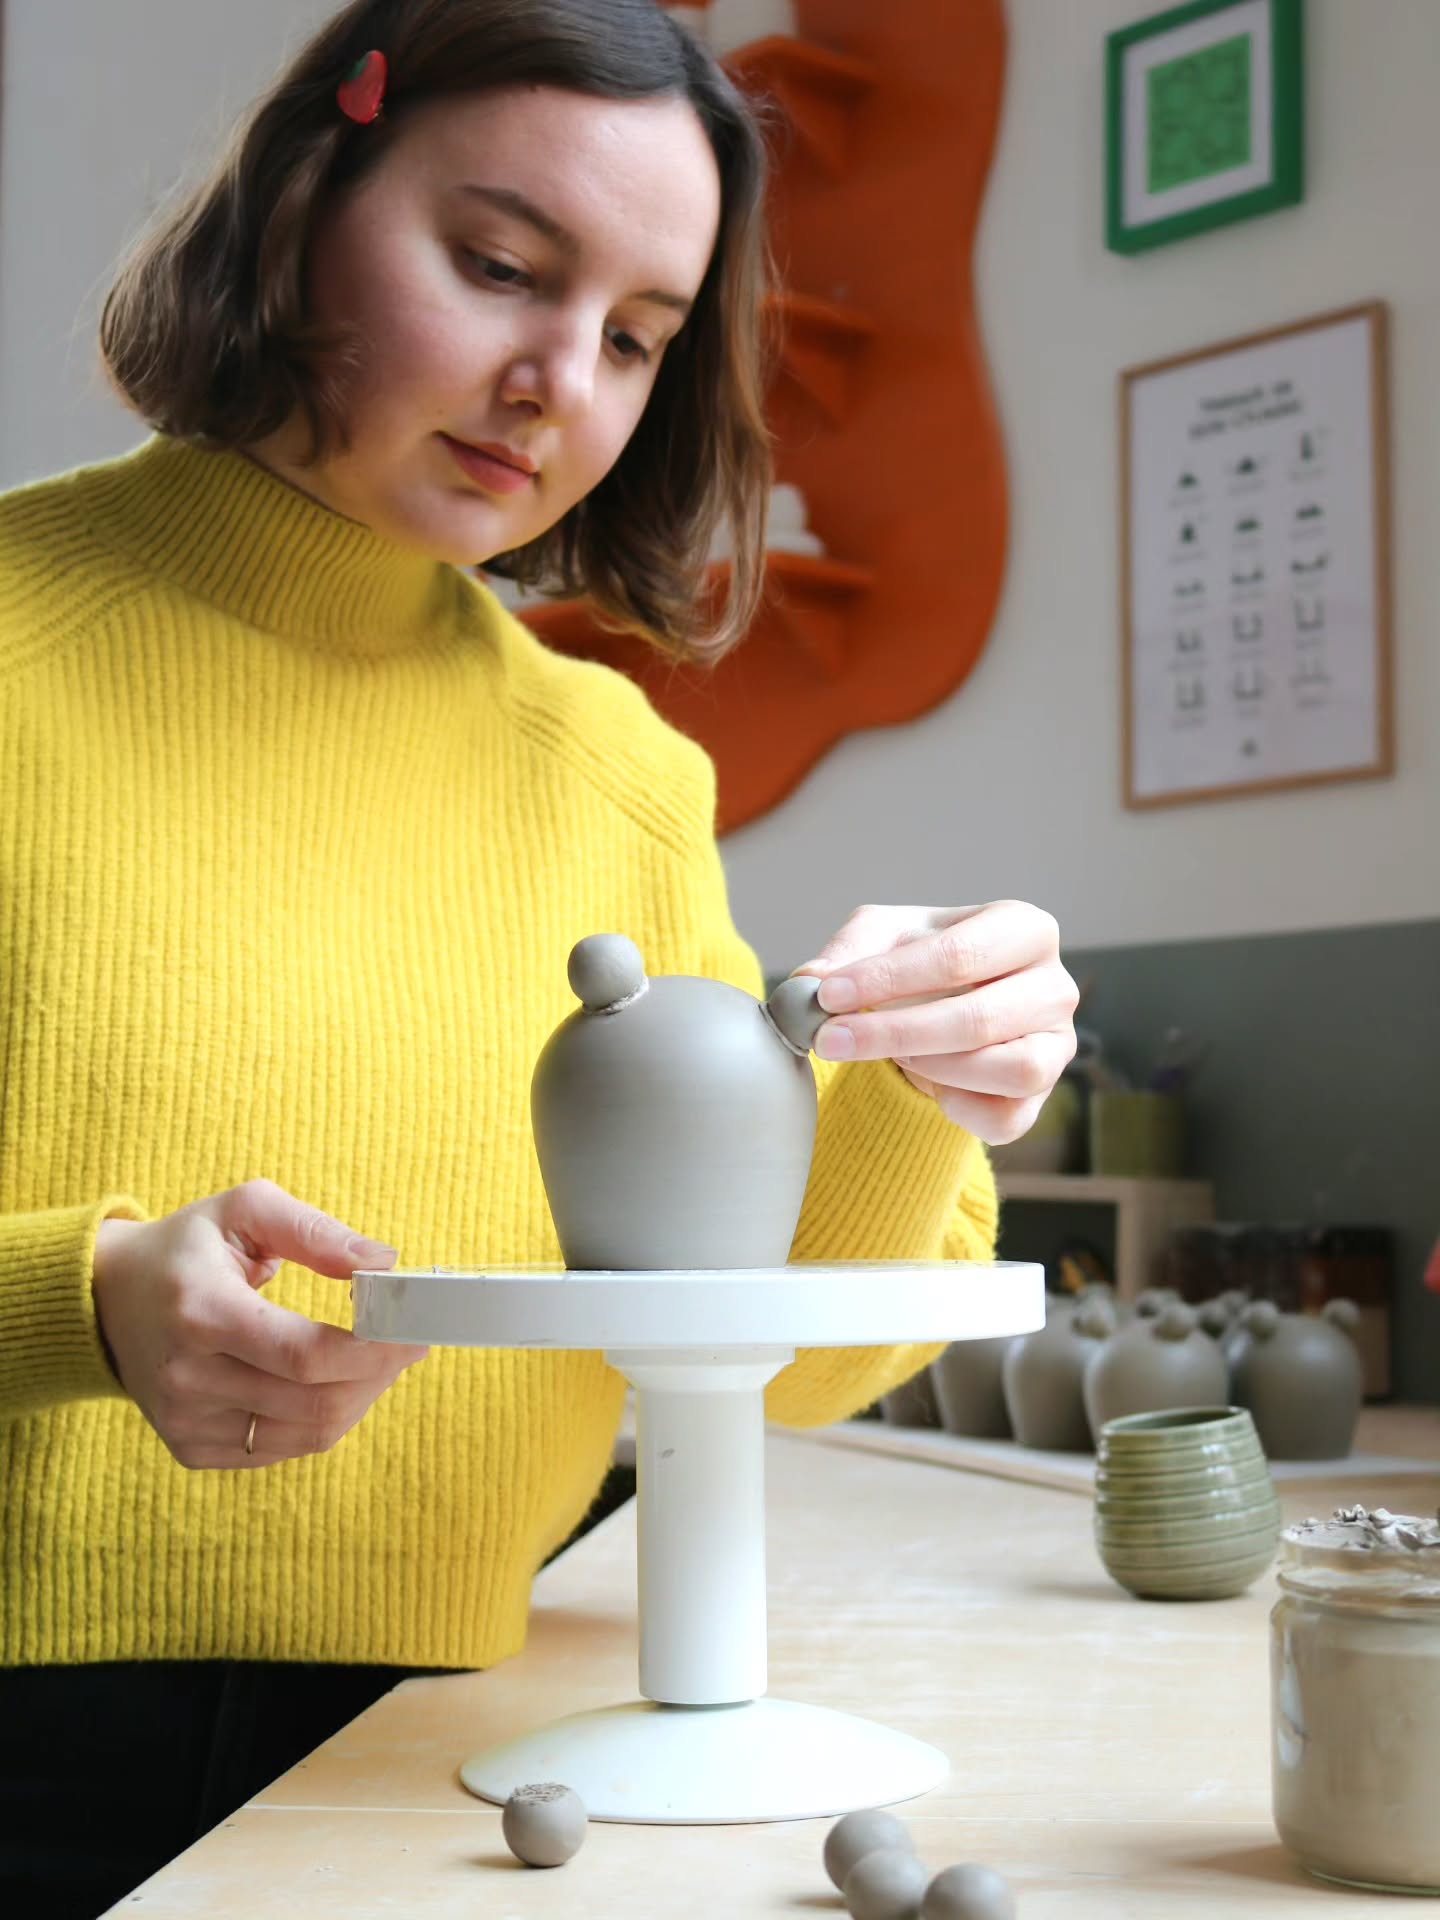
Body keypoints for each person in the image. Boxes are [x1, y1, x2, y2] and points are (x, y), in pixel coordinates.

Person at [0, 1, 1077, 1910]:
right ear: (306, 194)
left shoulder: (622, 775)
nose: (556, 381)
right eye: (501, 267)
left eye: (639, 337)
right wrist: (70, 1300)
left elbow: (786, 1367)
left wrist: (928, 1090)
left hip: (471, 1752)